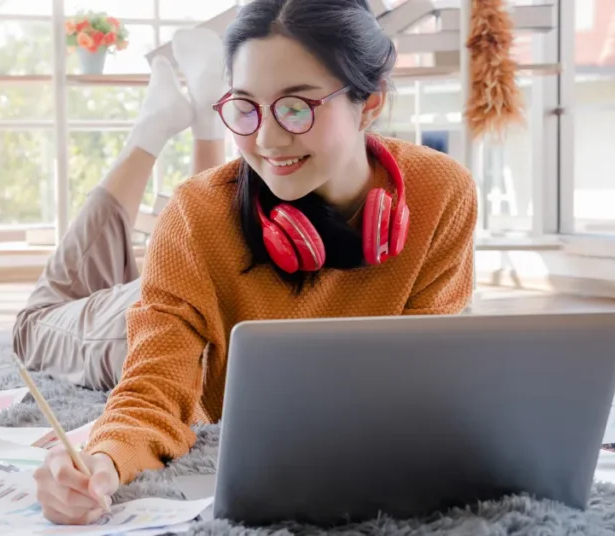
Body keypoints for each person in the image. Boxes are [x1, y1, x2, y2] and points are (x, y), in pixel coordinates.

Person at [26, 0, 479, 525]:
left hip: (185, 283)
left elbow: (425, 385)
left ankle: (190, 123)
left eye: (296, 107)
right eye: (245, 106)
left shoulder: (441, 193)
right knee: (36, 322)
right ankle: (149, 135)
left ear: (370, 103)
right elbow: (152, 391)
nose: (267, 139)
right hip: (124, 332)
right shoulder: (196, 213)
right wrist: (100, 460)